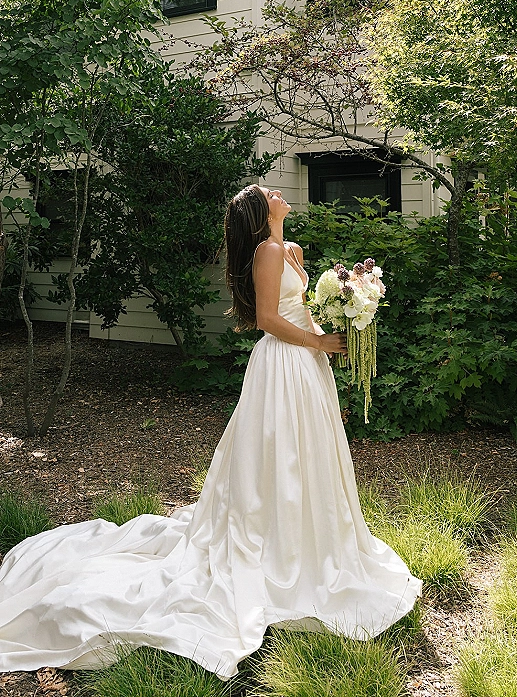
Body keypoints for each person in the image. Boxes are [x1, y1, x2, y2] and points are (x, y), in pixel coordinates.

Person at [0, 184, 421, 679]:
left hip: (305, 364)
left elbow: (298, 304)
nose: (279, 192)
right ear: (259, 211)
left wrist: (338, 326)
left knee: (307, 450)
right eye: (269, 193)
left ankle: (311, 536)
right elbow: (267, 319)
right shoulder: (267, 251)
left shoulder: (285, 247)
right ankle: (277, 544)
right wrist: (318, 341)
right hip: (283, 362)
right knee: (277, 451)